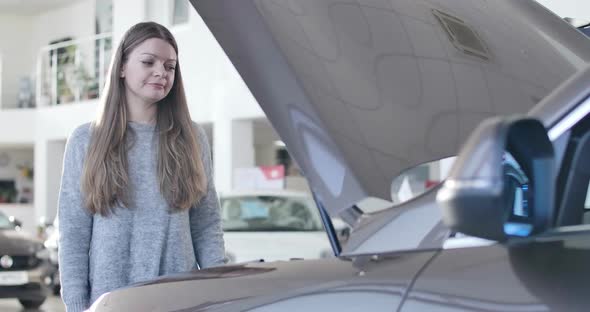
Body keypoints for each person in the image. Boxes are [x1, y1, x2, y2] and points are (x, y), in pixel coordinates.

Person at [57, 21, 226, 312]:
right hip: (110, 302)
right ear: (122, 66)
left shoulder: (192, 138)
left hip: (181, 302)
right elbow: (73, 232)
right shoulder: (86, 140)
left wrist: (220, 295)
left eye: (170, 66)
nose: (161, 72)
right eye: (148, 62)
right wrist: (77, 305)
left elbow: (206, 224)